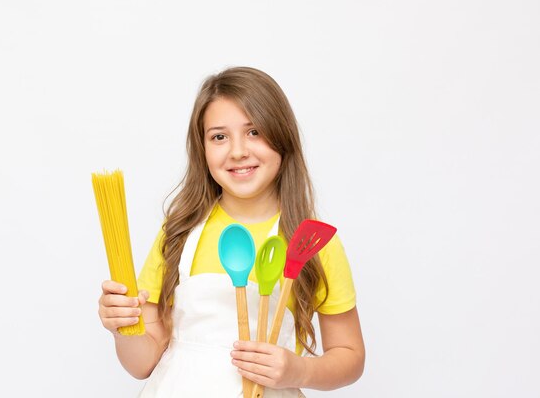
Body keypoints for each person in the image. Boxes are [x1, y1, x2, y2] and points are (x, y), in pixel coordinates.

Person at [98, 66, 365, 397]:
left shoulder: (312, 242)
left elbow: (350, 356)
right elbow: (142, 364)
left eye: (254, 132)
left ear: (283, 136)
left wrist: (299, 369)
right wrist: (124, 328)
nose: (238, 151)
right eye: (219, 136)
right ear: (202, 148)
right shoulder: (178, 233)